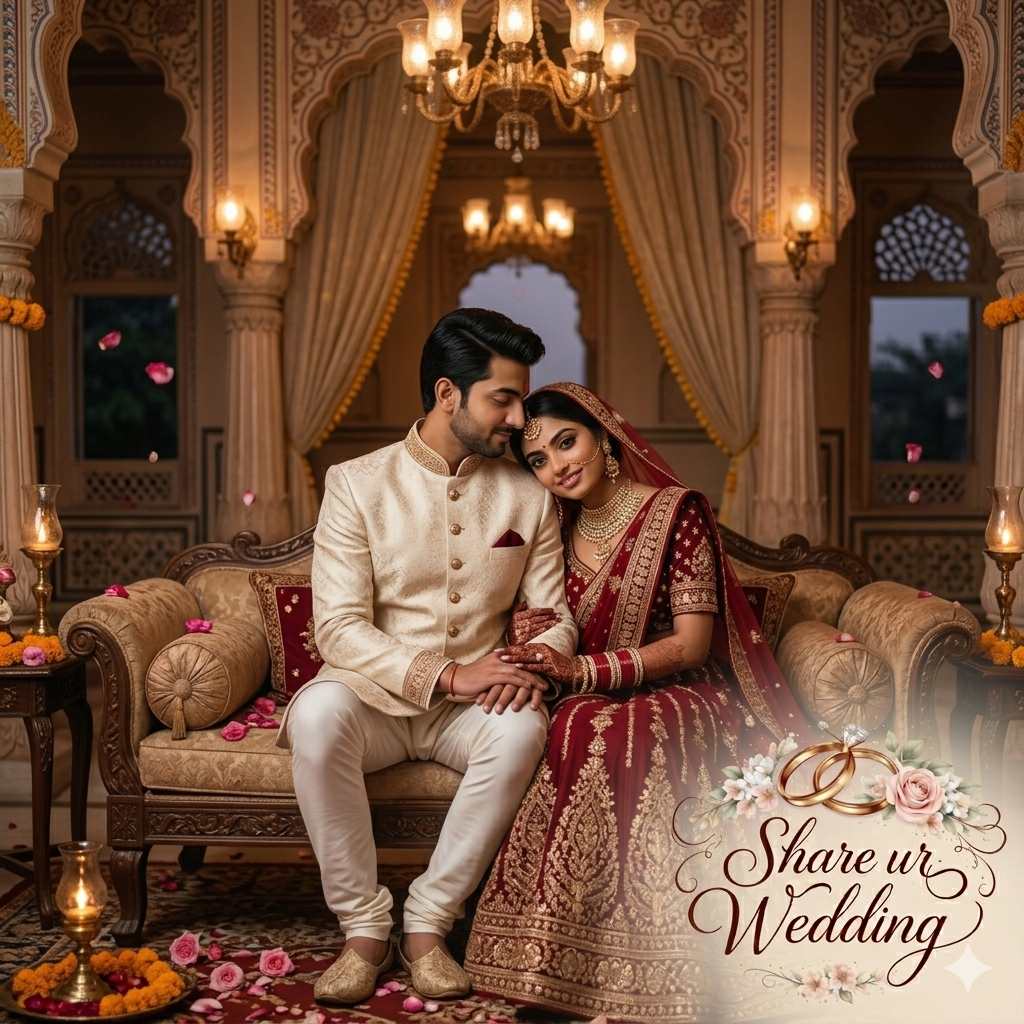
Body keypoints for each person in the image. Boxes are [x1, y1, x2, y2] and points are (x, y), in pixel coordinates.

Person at [464, 383, 807, 1022]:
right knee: (573, 726)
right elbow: (531, 615)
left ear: (602, 434)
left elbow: (693, 643)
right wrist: (535, 657)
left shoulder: (677, 512)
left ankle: (662, 958)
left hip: (677, 690)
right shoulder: (547, 522)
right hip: (581, 691)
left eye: (567, 442)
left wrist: (584, 668)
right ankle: (554, 965)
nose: (559, 465)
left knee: (633, 730)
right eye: (538, 459)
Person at [281, 310, 578, 1005]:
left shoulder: (528, 496)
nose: (518, 418)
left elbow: (556, 614)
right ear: (449, 394)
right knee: (318, 716)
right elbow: (340, 628)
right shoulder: (355, 483)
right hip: (373, 703)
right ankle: (361, 929)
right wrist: (445, 674)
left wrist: (534, 653)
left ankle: (426, 924)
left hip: (471, 711)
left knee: (523, 728)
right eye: (502, 398)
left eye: (520, 399)